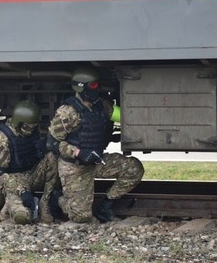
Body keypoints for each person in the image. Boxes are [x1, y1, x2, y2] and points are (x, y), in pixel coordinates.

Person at [47, 67, 145, 223]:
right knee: (81, 216)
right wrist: (78, 152)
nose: (97, 89)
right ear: (81, 87)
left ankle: (105, 207)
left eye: (97, 85)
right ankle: (58, 198)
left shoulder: (100, 106)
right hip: (75, 167)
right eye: (93, 86)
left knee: (134, 168)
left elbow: (122, 115)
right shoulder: (67, 112)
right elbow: (52, 143)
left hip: (96, 161)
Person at [0, 100, 59, 224]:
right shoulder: (2, 139)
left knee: (52, 157)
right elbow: (0, 175)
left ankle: (45, 202)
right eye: (27, 126)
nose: (30, 130)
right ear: (18, 123)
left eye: (33, 126)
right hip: (13, 181)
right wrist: (22, 190)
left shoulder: (35, 131)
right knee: (22, 217)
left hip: (32, 173)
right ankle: (8, 208)